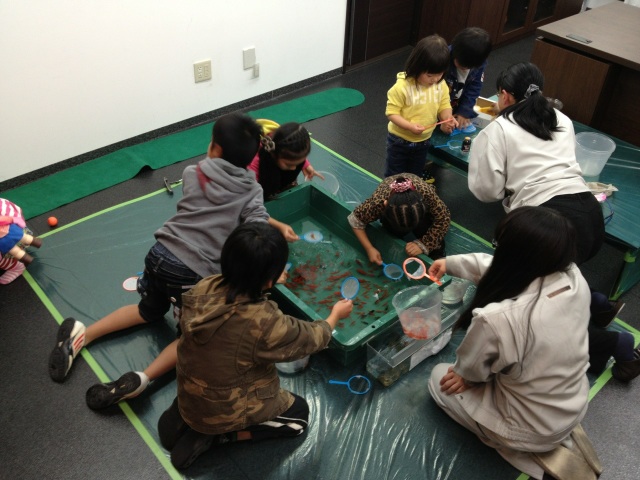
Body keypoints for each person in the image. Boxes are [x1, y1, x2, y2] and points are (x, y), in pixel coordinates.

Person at [48, 113, 299, 409]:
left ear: (214, 148)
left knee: (146, 310)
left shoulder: (194, 172)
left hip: (160, 252)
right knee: (194, 338)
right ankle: (143, 378)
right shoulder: (252, 190)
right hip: (193, 274)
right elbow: (256, 228)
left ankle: (83, 334)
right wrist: (271, 269)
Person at [467, 61, 636, 382]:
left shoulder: (497, 130)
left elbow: (486, 191)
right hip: (589, 216)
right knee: (557, 276)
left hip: (547, 225)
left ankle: (616, 344)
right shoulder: (561, 118)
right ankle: (599, 305)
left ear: (504, 95)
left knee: (535, 307)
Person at [157, 222, 353, 469]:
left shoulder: (205, 286)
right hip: (224, 406)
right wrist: (334, 316)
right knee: (299, 417)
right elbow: (311, 338)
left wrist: (266, 280)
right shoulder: (264, 322)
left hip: (189, 391)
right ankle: (221, 435)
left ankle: (186, 416)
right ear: (268, 280)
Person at [428, 206, 601, 480]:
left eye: (498, 245)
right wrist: (451, 263)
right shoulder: (573, 276)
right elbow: (504, 268)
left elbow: (472, 371)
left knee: (438, 379)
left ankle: (522, 452)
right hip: (573, 404)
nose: (496, 250)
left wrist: (465, 377)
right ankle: (546, 439)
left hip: (530, 429)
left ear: (512, 256)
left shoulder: (497, 319)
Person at [384, 34, 458, 179]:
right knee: (395, 178)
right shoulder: (402, 87)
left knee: (415, 177)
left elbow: (444, 105)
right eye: (430, 75)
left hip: (423, 142)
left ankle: (410, 194)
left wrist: (447, 118)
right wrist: (409, 126)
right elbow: (391, 113)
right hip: (399, 142)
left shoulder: (440, 85)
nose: (435, 79)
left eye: (440, 74)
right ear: (417, 67)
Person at [348, 173, 450, 262]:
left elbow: (444, 217)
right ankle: (397, 231)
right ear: (385, 205)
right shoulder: (377, 203)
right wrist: (369, 248)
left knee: (429, 231)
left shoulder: (426, 194)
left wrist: (424, 244)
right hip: (389, 211)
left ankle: (436, 254)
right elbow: (355, 220)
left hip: (421, 208)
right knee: (393, 231)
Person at [247, 119, 323, 200]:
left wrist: (306, 165)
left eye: (297, 163)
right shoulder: (252, 170)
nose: (293, 168)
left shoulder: (282, 143)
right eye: (289, 164)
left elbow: (295, 154)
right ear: (274, 154)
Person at [444, 27, 492, 129]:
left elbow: (474, 88)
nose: (465, 69)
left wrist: (464, 111)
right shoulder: (442, 58)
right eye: (461, 65)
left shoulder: (478, 63)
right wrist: (443, 116)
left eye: (469, 67)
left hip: (456, 106)